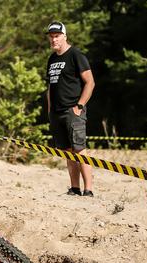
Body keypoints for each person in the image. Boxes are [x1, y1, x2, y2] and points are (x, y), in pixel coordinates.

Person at [45, 21, 95, 197]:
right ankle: (74, 188)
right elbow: (50, 87)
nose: (54, 39)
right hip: (56, 113)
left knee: (79, 149)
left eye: (57, 36)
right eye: (51, 37)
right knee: (67, 152)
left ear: (65, 36)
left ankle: (88, 190)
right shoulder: (52, 59)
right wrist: (50, 111)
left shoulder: (75, 55)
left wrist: (79, 106)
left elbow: (90, 82)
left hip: (73, 110)